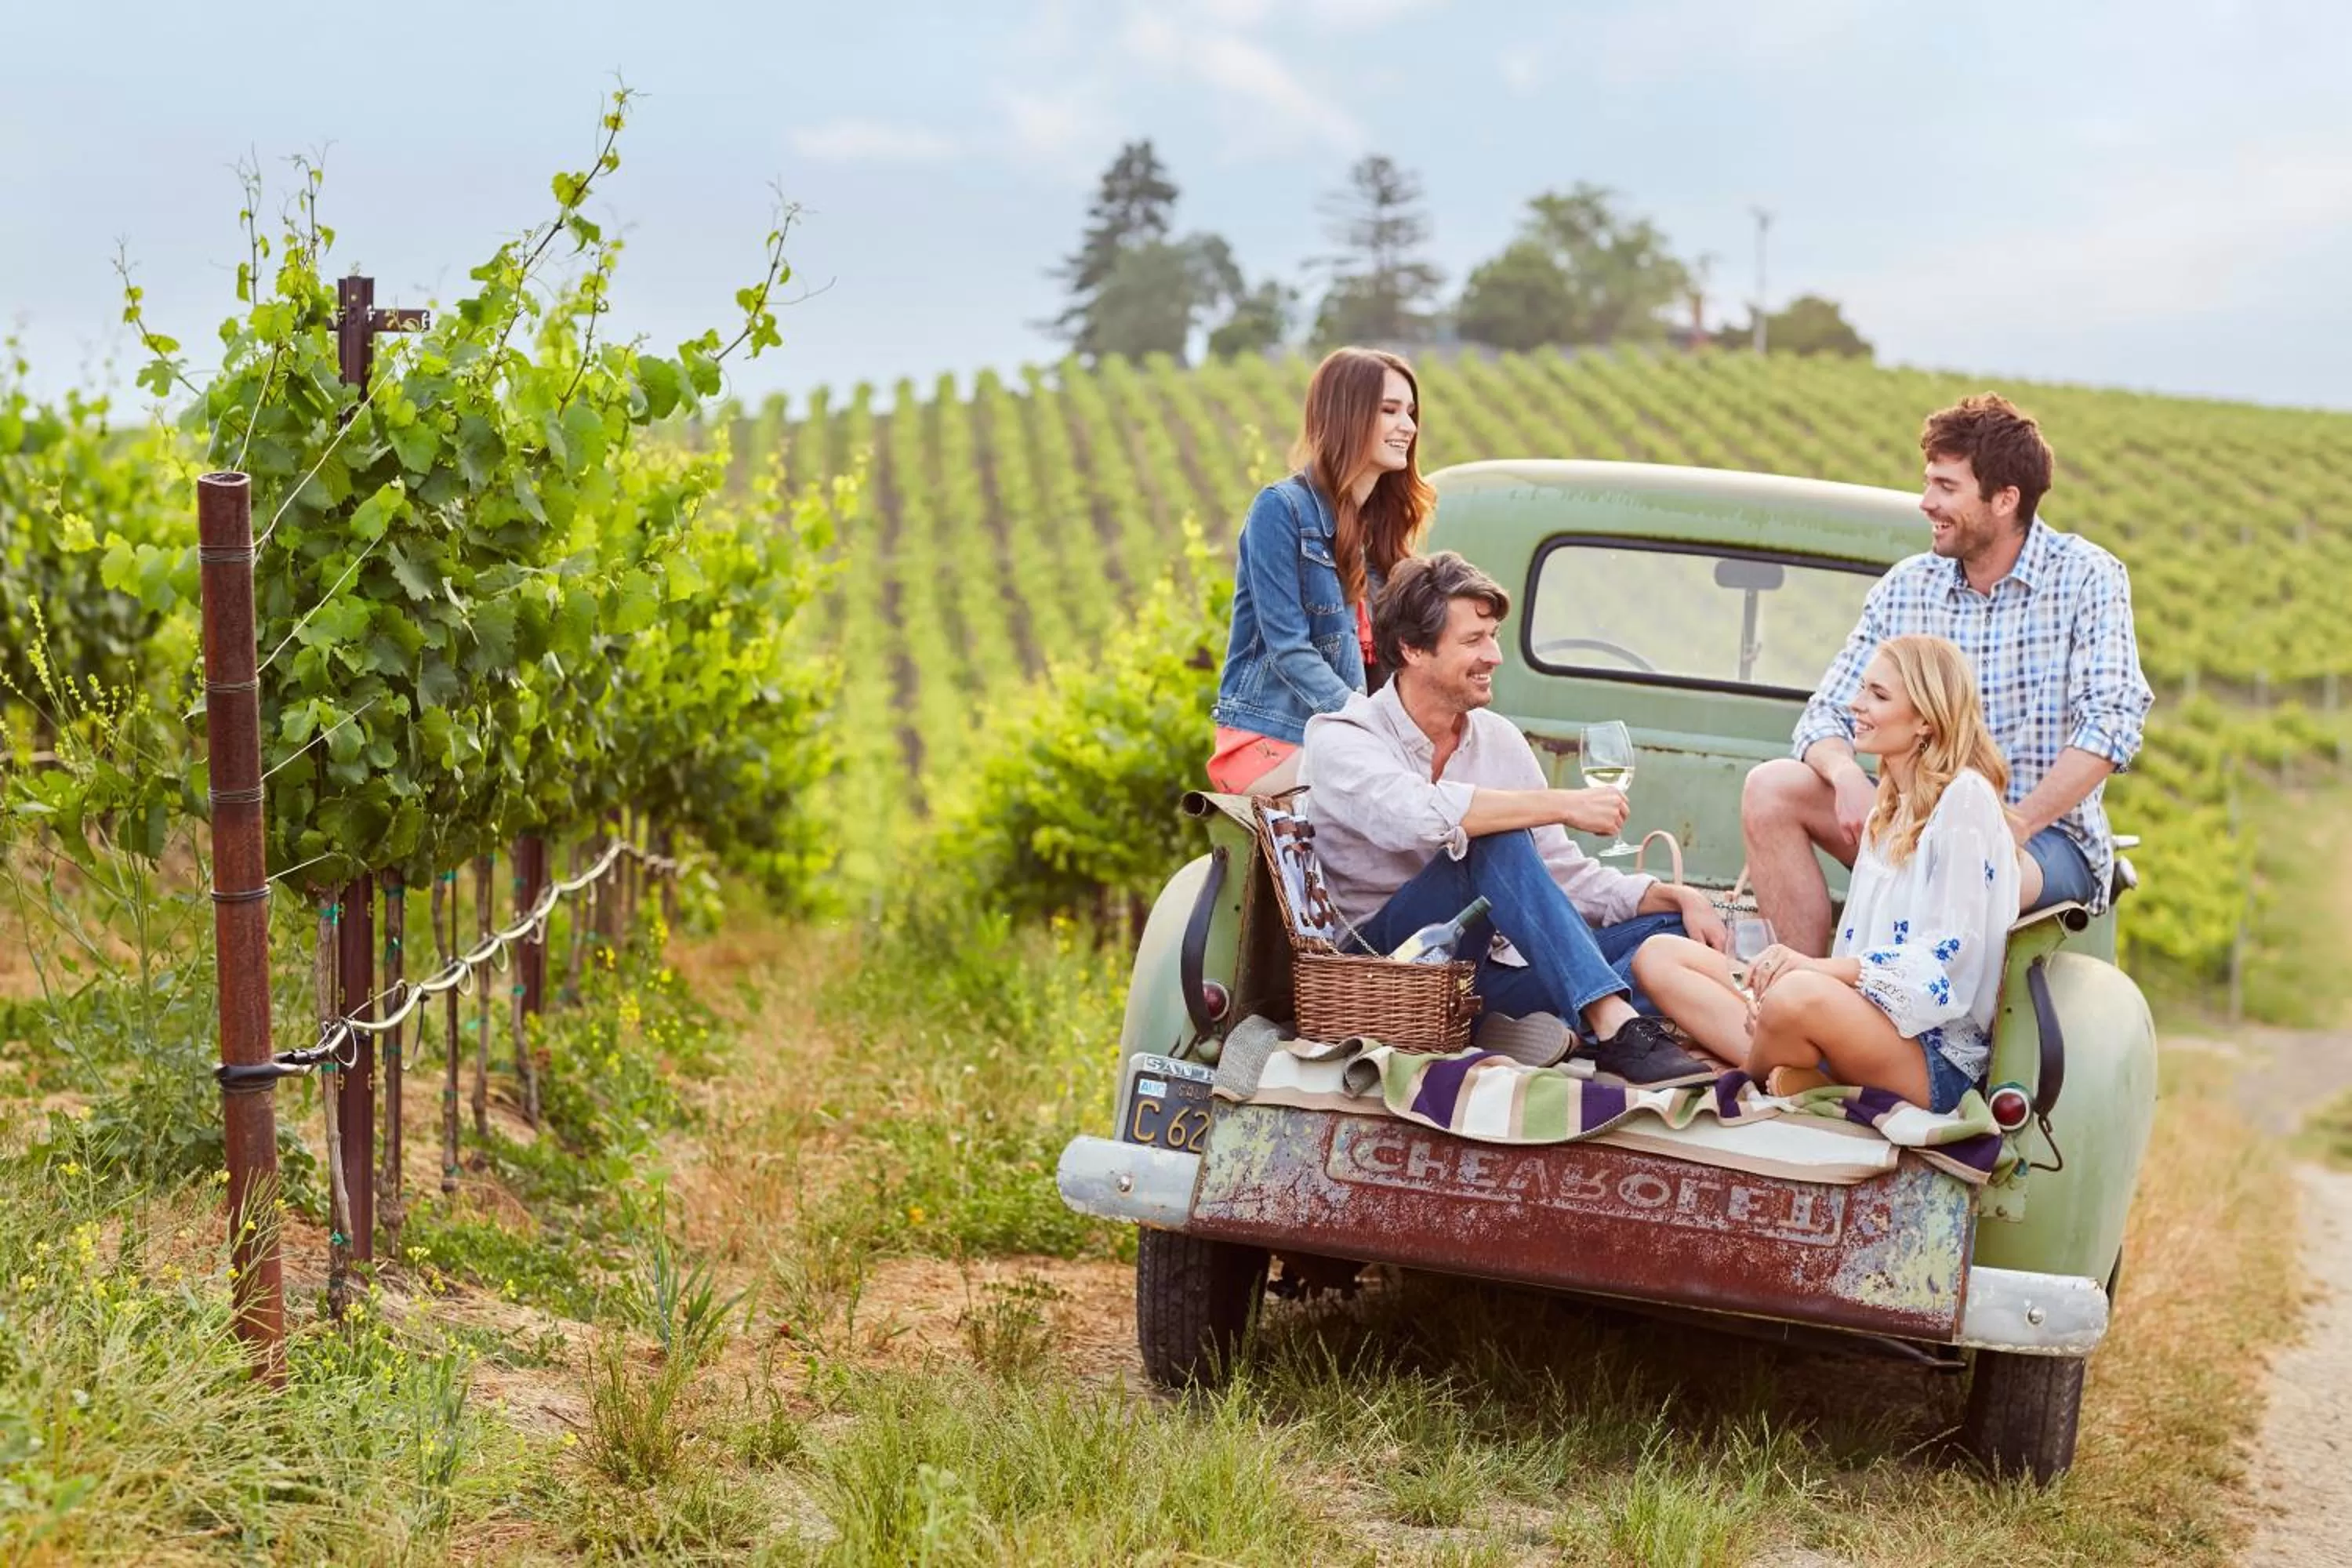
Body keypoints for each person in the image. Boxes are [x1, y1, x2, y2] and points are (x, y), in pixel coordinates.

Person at [1299, 551, 1731, 1087]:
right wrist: (1565, 803)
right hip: (1389, 968)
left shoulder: (1498, 739)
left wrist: (1671, 896)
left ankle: (1509, 1027)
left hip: (1484, 973)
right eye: (1473, 641)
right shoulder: (1343, 737)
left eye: (1494, 636)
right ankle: (1613, 1028)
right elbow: (1419, 820)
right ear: (1412, 649)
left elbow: (1566, 878)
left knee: (1670, 936)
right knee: (1486, 837)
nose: (1495, 656)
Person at [1742, 394, 2153, 956]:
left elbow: (2112, 724)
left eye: (1946, 487)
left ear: (2005, 499)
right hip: (1913, 821)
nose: (1926, 502)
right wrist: (1847, 777)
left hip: (2042, 838)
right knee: (1771, 789)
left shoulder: (2087, 578)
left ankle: (1909, 1025)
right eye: (1928, 482)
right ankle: (1802, 993)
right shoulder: (1908, 585)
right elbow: (1826, 713)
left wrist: (2017, 823)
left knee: (1970, 861)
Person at [1636, 636, 2022, 1111]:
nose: (1856, 705)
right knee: (1659, 956)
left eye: (1878, 696)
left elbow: (1947, 960)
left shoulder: (1966, 798)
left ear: (1926, 718)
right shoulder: (1889, 801)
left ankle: (1755, 1071)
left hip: (1930, 1056)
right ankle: (1793, 1065)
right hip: (1854, 1021)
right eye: (1862, 690)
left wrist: (1815, 972)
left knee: (1793, 993)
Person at [1208, 347, 1432, 795]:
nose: (1407, 426)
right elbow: (1288, 648)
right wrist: (1370, 729)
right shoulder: (1281, 509)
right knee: (1406, 799)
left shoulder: (1381, 532)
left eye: (1410, 412)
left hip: (1344, 741)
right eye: (1389, 411)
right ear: (1347, 414)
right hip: (1273, 737)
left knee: (1468, 778)